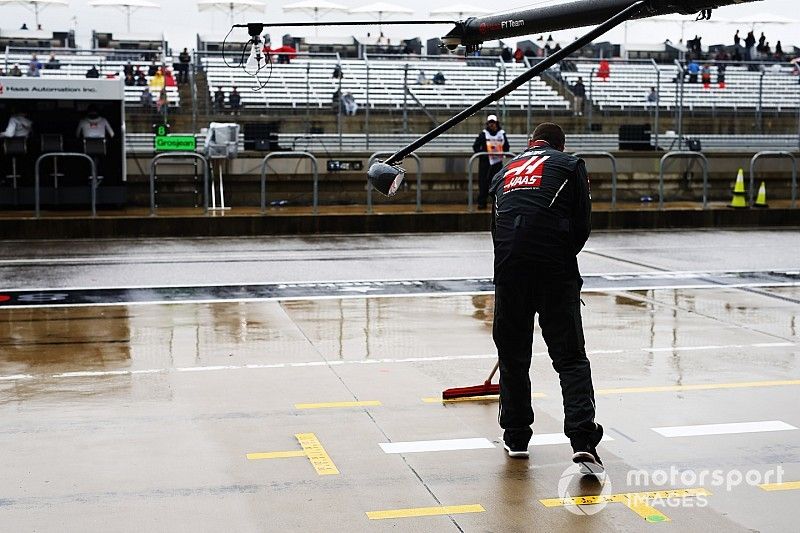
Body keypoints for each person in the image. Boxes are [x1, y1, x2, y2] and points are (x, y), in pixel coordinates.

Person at [487, 122, 603, 471]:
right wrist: (560, 259)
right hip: (555, 271)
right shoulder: (570, 165)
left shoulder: (506, 171)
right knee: (570, 359)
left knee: (513, 357)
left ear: (530, 143)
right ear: (560, 145)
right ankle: (583, 440)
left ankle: (516, 437)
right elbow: (582, 225)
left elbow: (496, 227)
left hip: (509, 271)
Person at [473, 114, 510, 210]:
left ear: (496, 123)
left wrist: (501, 152)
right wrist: (483, 154)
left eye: (493, 122)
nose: (491, 124)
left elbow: (506, 147)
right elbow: (475, 146)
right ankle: (482, 203)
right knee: (483, 183)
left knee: (497, 183)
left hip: (497, 163)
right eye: (490, 123)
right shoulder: (483, 133)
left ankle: (497, 204)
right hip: (485, 163)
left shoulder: (502, 133)